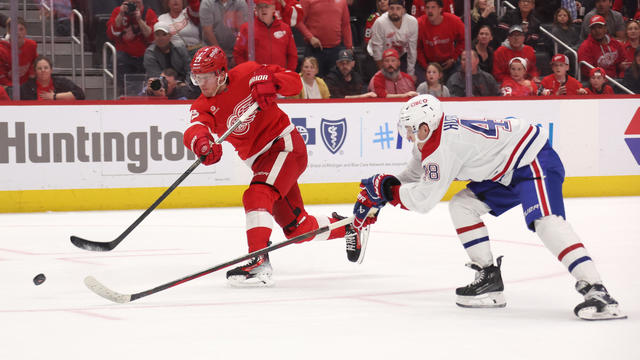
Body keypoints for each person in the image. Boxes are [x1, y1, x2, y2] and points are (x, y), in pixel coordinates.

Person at [351, 94, 627, 321]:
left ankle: (596, 289)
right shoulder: (431, 138)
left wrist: (387, 194)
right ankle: (489, 279)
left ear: (425, 126)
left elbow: (424, 200)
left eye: (411, 129)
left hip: (532, 161)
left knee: (546, 221)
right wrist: (386, 185)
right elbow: (414, 174)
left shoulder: (443, 146)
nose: (408, 135)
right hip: (505, 168)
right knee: (463, 206)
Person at [183, 46, 360, 287]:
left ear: (221, 73)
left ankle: (257, 261)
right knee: (296, 230)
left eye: (206, 77)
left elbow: (294, 83)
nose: (201, 83)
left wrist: (272, 81)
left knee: (256, 194)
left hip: (284, 146)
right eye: (197, 78)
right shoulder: (203, 105)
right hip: (262, 162)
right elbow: (195, 128)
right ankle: (349, 226)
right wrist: (202, 143)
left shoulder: (248, 72)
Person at [106, 0, 158, 92]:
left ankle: (149, 91)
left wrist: (139, 20)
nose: (134, 5)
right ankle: (123, 91)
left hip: (144, 55)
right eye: (131, 2)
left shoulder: (149, 12)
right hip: (124, 54)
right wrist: (121, 15)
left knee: (153, 57)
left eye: (137, 3)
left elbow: (152, 37)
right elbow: (112, 34)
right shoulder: (118, 11)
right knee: (117, 58)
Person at [233, 0, 297, 71]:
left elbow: (292, 55)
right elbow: (238, 54)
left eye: (266, 6)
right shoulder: (246, 28)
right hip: (256, 78)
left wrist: (289, 72)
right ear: (256, 9)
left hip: (279, 76)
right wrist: (246, 72)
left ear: (273, 8)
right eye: (260, 7)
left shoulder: (285, 28)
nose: (263, 9)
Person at [297, 0, 353, 76]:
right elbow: (298, 21)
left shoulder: (342, 1)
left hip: (335, 50)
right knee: (312, 82)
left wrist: (349, 47)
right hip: (314, 50)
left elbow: (345, 25)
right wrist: (310, 37)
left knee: (335, 83)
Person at [367, 0, 418, 78]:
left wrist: (410, 74)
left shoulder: (412, 22)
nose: (394, 11)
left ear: (404, 10)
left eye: (398, 8)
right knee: (383, 80)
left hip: (400, 54)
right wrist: (384, 73)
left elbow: (412, 50)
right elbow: (377, 50)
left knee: (406, 79)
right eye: (392, 8)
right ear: (388, 9)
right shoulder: (380, 22)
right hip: (377, 56)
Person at [417, 0, 465, 83]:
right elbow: (417, 48)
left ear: (440, 9)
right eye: (427, 8)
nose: (430, 11)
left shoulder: (454, 21)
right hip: (428, 63)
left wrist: (454, 58)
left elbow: (465, 39)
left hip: (450, 62)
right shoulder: (419, 23)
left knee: (459, 80)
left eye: (433, 7)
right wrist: (426, 66)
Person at [199, 0, 248, 68]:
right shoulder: (206, 3)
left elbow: (242, 30)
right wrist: (220, 55)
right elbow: (208, 31)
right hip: (211, 51)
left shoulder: (240, 3)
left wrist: (236, 55)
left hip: (235, 51)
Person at [20, 55, 85, 100]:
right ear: (35, 71)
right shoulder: (26, 87)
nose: (43, 70)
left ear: (51, 70)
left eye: (46, 68)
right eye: (39, 68)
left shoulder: (62, 83)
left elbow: (80, 94)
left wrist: (55, 96)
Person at [0, 17, 38, 87]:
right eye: (14, 30)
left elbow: (35, 64)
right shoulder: (1, 50)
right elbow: (1, 76)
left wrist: (30, 79)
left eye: (21, 29)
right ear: (9, 32)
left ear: (26, 31)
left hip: (26, 86)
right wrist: (14, 87)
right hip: (7, 87)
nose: (18, 33)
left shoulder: (32, 45)